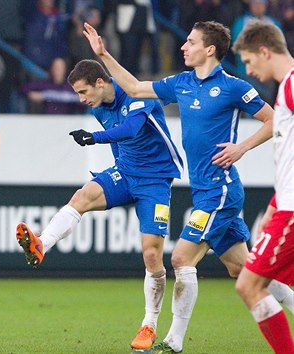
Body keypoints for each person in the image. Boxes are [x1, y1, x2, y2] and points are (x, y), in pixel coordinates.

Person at [82, 20, 294, 354]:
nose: (183, 46)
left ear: (210, 49)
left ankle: (173, 341)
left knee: (181, 257)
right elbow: (136, 88)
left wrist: (242, 147)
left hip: (220, 192)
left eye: (191, 42)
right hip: (203, 190)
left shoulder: (233, 87)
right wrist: (104, 55)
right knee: (245, 269)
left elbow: (272, 119)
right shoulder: (180, 83)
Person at [15, 59, 184, 351]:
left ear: (100, 83)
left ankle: (149, 324)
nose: (82, 99)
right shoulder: (97, 107)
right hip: (127, 172)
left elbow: (130, 130)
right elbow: (121, 143)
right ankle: (42, 243)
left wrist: (94, 138)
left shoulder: (135, 93)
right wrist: (118, 168)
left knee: (151, 255)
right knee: (81, 197)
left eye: (83, 92)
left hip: (155, 180)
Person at [232, 20, 294, 354]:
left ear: (265, 51)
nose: (248, 69)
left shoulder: (292, 85)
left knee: (249, 285)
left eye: (248, 61)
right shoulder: (285, 90)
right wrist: (275, 202)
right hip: (285, 206)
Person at [21, 57, 87, 114]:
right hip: (47, 120)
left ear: (65, 69)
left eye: (60, 68)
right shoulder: (45, 84)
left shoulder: (72, 87)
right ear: (52, 69)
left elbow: (84, 102)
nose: (58, 70)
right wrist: (34, 95)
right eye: (56, 67)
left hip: (67, 121)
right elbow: (24, 88)